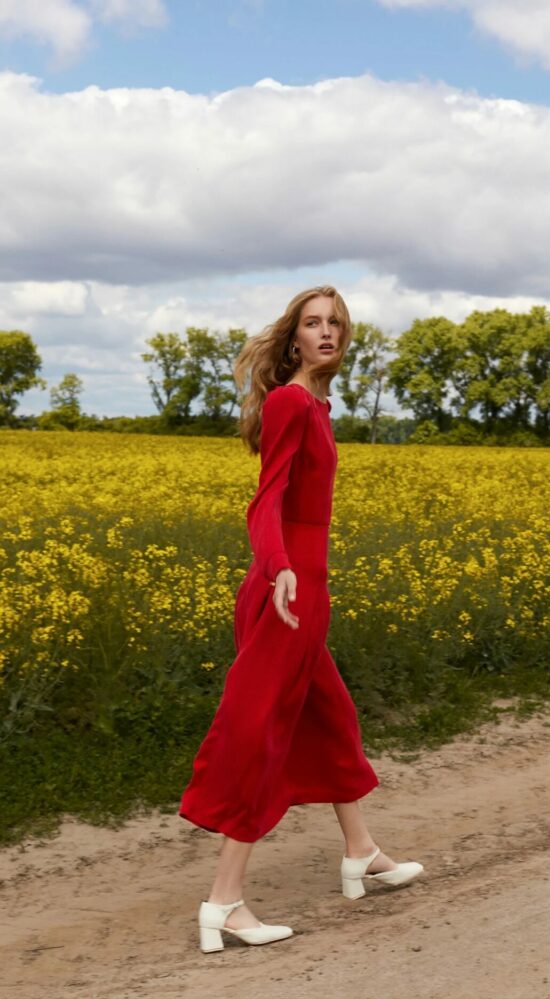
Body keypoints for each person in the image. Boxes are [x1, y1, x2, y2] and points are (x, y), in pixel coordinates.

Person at [178, 285, 423, 952]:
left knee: (328, 718)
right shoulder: (291, 401)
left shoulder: (317, 403)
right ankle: (224, 901)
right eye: (313, 323)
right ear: (293, 337)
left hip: (305, 588)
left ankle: (360, 849)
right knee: (259, 730)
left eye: (335, 324)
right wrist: (279, 566)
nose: (326, 333)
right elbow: (267, 500)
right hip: (285, 589)